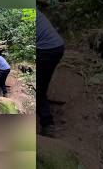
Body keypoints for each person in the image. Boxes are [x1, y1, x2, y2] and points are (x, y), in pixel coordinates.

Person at [37, 7, 64, 137]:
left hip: (47, 50)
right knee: (41, 85)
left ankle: (47, 124)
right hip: (57, 46)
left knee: (38, 89)